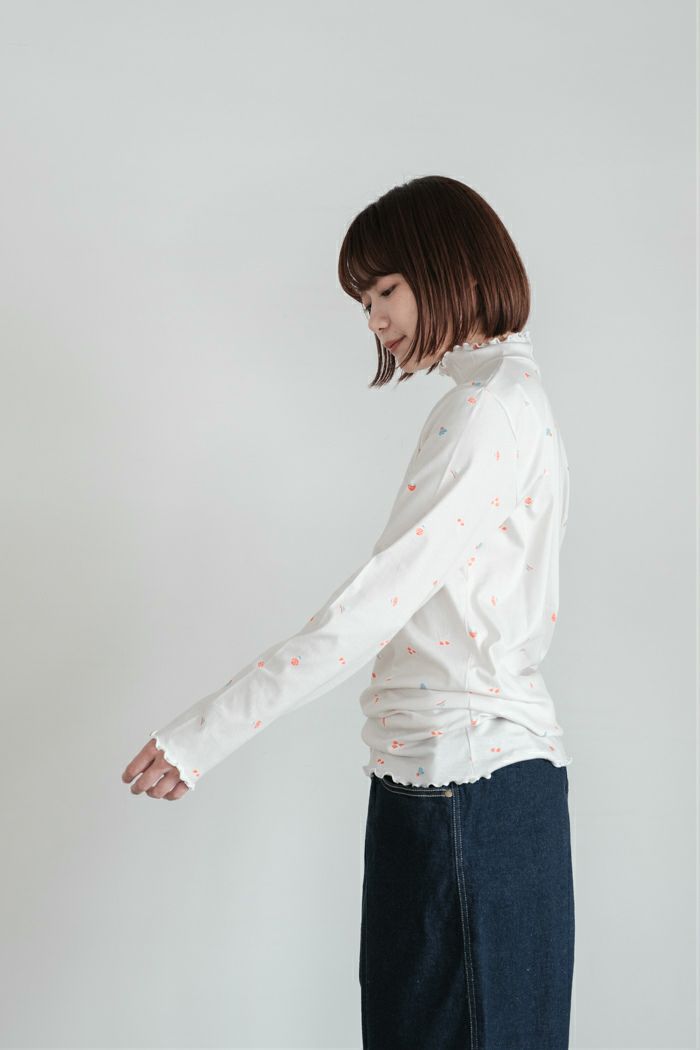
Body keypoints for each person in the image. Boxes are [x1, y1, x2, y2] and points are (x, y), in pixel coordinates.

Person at [121, 174, 575, 1049]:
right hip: (453, 786)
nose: (374, 320)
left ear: (449, 268)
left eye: (385, 290)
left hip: (469, 789)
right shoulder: (504, 397)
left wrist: (205, 734)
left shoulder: (487, 410)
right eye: (363, 302)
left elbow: (373, 606)